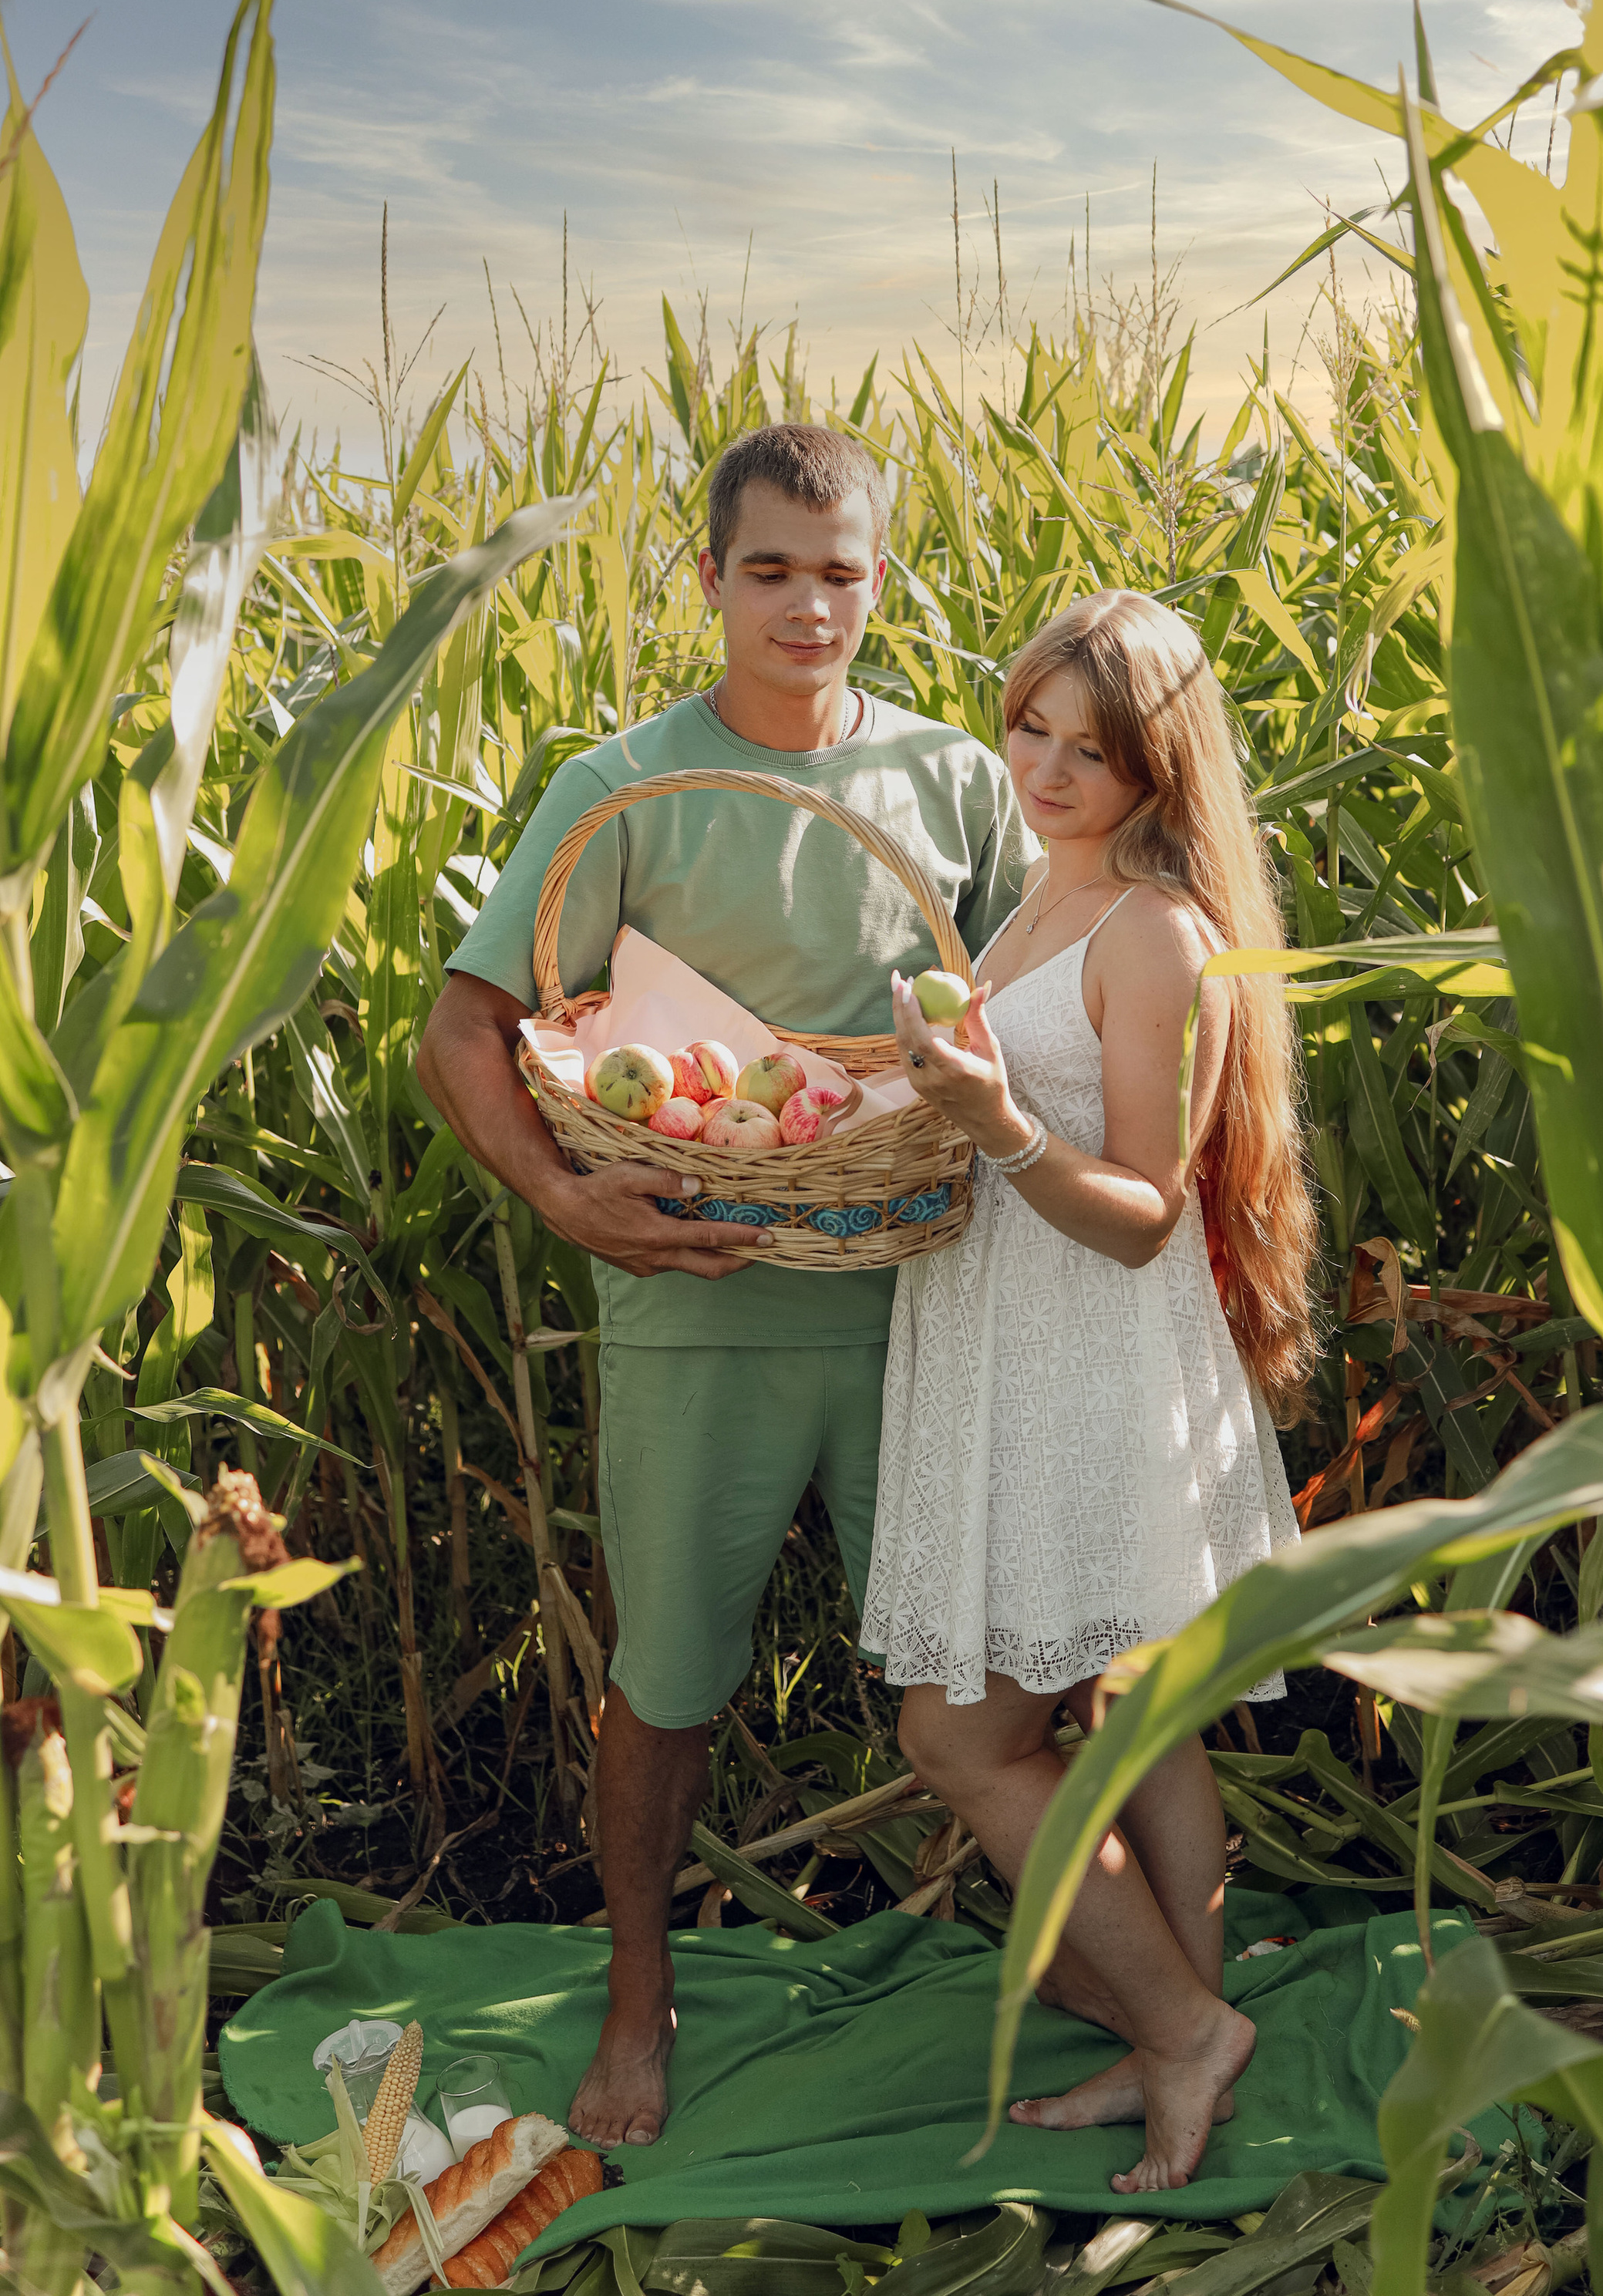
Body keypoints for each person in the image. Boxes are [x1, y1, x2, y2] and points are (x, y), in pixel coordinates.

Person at [416, 423, 1032, 2150]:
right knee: (669, 1679)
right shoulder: (620, 786)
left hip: (926, 1304)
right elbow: (462, 1028)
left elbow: (1039, 1008)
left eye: (838, 573)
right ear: (709, 580)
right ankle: (641, 1998)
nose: (805, 607)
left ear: (879, 581)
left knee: (985, 1675)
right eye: (769, 571)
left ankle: (1069, 1960)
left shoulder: (955, 784)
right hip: (696, 1301)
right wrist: (565, 1199)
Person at [861, 589, 1317, 2197]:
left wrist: (991, 1120)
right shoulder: (1038, 902)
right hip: (1007, 1340)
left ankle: (1184, 2033)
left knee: (958, 1738)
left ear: (1156, 770)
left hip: (1090, 1360)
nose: (1045, 772)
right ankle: (1169, 2037)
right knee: (1136, 1719)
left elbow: (1141, 1212)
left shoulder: (1152, 932)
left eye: (1091, 751)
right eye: (1028, 729)